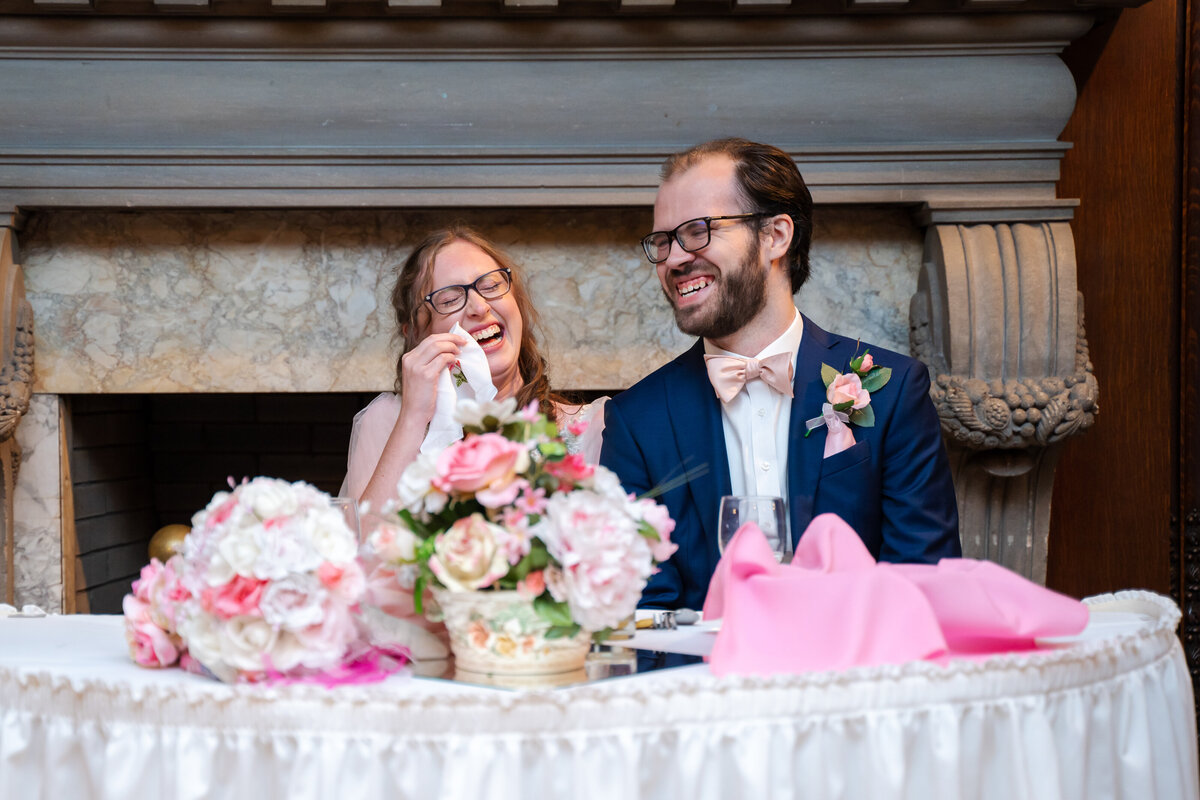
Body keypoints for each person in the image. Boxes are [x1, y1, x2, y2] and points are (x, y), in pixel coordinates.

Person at [599, 138, 960, 611]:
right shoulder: (636, 421)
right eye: (663, 241)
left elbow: (923, 581)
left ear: (776, 236)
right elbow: (643, 613)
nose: (673, 259)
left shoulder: (892, 390)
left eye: (697, 231)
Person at [343, 225, 605, 509]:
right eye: (449, 299)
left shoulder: (593, 427)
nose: (479, 307)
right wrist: (413, 418)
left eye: (491, 285)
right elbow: (362, 545)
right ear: (416, 335)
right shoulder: (389, 420)